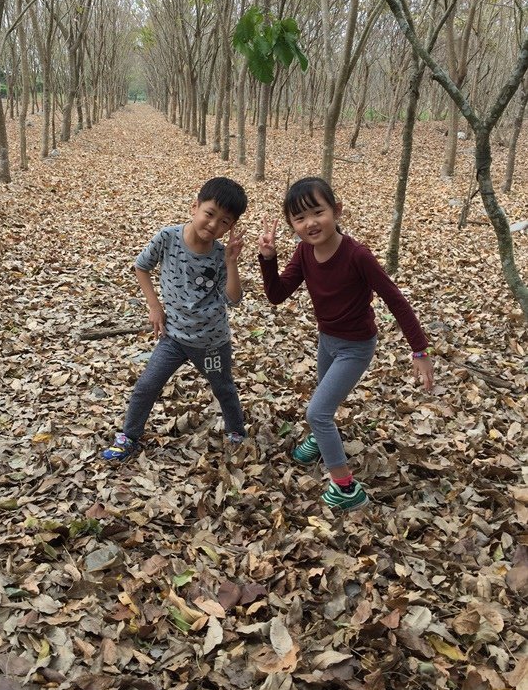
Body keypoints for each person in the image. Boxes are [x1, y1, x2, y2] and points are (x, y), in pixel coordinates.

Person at [258, 176, 434, 512]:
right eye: (299, 218)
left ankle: (346, 488)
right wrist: (268, 259)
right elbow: (277, 295)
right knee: (323, 409)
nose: (310, 223)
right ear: (292, 225)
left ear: (336, 210)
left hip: (356, 347)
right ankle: (322, 441)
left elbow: (396, 300)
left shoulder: (357, 255)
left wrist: (420, 350)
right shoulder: (304, 251)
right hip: (328, 340)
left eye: (317, 212)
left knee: (318, 412)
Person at [102, 176, 249, 462]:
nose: (213, 225)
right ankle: (129, 437)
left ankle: (236, 431)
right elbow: (141, 266)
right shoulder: (167, 238)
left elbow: (233, 299)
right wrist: (154, 306)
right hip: (173, 337)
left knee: (223, 388)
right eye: (209, 214)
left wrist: (231, 263)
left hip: (211, 342)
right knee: (147, 385)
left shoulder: (221, 255)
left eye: (224, 222)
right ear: (194, 207)